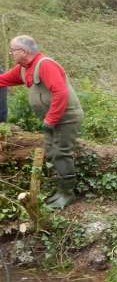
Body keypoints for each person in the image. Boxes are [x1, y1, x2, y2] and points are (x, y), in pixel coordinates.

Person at [0, 35, 84, 208]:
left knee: (61, 152)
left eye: (12, 51)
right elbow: (3, 79)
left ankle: (67, 193)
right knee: (52, 152)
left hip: (66, 117)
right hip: (53, 118)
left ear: (23, 52)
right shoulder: (23, 68)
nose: (10, 54)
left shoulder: (45, 64)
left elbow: (61, 93)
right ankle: (60, 189)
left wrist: (50, 120)